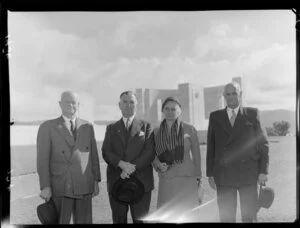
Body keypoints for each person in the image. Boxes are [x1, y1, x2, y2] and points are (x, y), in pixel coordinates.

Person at [206, 82, 269, 222]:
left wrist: (263, 171)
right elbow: (211, 146)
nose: (231, 96)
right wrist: (210, 173)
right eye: (228, 94)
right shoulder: (215, 116)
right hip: (224, 175)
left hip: (248, 174)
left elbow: (263, 144)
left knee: (249, 217)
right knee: (226, 218)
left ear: (240, 94)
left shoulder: (252, 114)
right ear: (224, 96)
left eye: (234, 93)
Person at [36, 91, 101, 224]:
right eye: (67, 102)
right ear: (60, 104)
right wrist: (45, 186)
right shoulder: (47, 127)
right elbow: (42, 160)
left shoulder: (87, 126)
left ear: (78, 105)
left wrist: (96, 181)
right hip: (60, 186)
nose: (71, 105)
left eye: (74, 102)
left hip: (84, 185)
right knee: (61, 221)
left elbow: (93, 156)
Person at [102, 91, 155, 224]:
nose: (128, 105)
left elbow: (149, 152)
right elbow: (106, 152)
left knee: (141, 220)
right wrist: (121, 164)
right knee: (119, 220)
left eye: (132, 102)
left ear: (137, 105)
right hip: (117, 182)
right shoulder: (111, 128)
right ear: (119, 105)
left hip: (142, 182)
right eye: (125, 102)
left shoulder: (147, 127)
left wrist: (131, 167)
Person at [152, 96, 203, 222]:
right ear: (162, 111)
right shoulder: (156, 132)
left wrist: (199, 178)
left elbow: (196, 155)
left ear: (180, 111)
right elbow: (152, 155)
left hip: (187, 179)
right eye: (167, 109)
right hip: (167, 179)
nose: (170, 112)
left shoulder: (189, 129)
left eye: (173, 109)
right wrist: (158, 165)